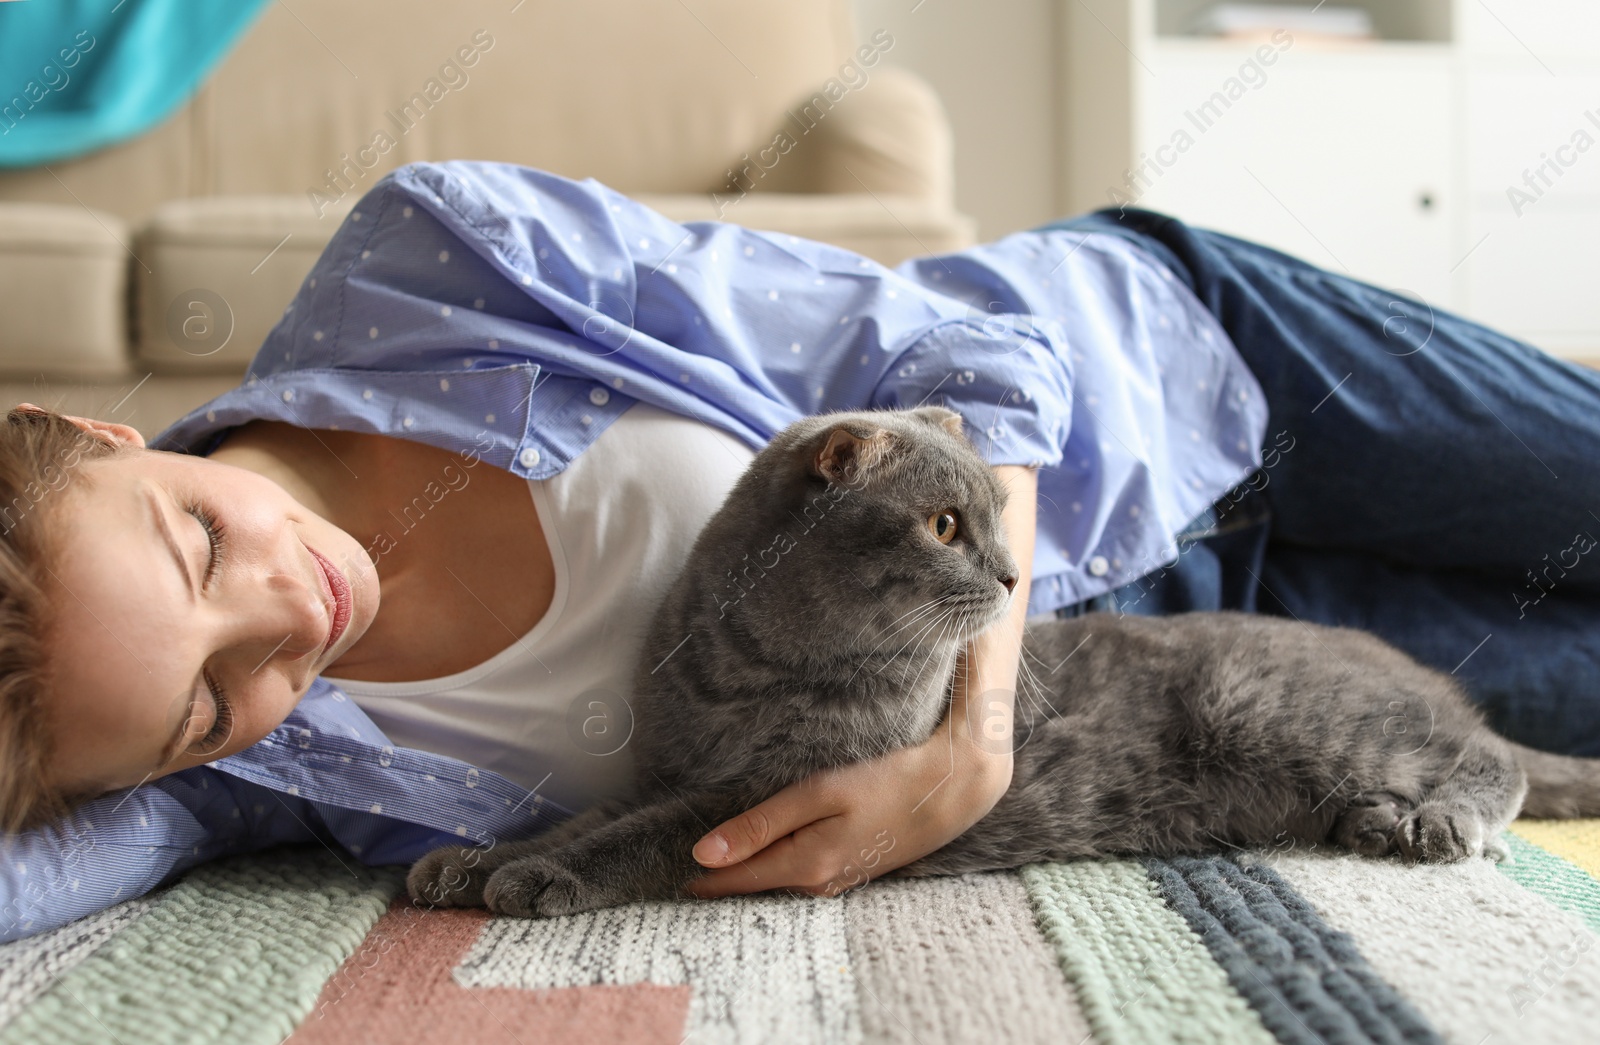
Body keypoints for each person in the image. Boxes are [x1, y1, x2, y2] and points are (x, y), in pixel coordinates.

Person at [0, 159, 1594, 945]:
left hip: (1191, 381)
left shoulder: (432, 260)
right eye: (209, 697)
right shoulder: (245, 776)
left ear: (106, 434)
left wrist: (967, 739)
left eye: (200, 542)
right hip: (1217, 686)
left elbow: (962, 353)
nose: (286, 615)